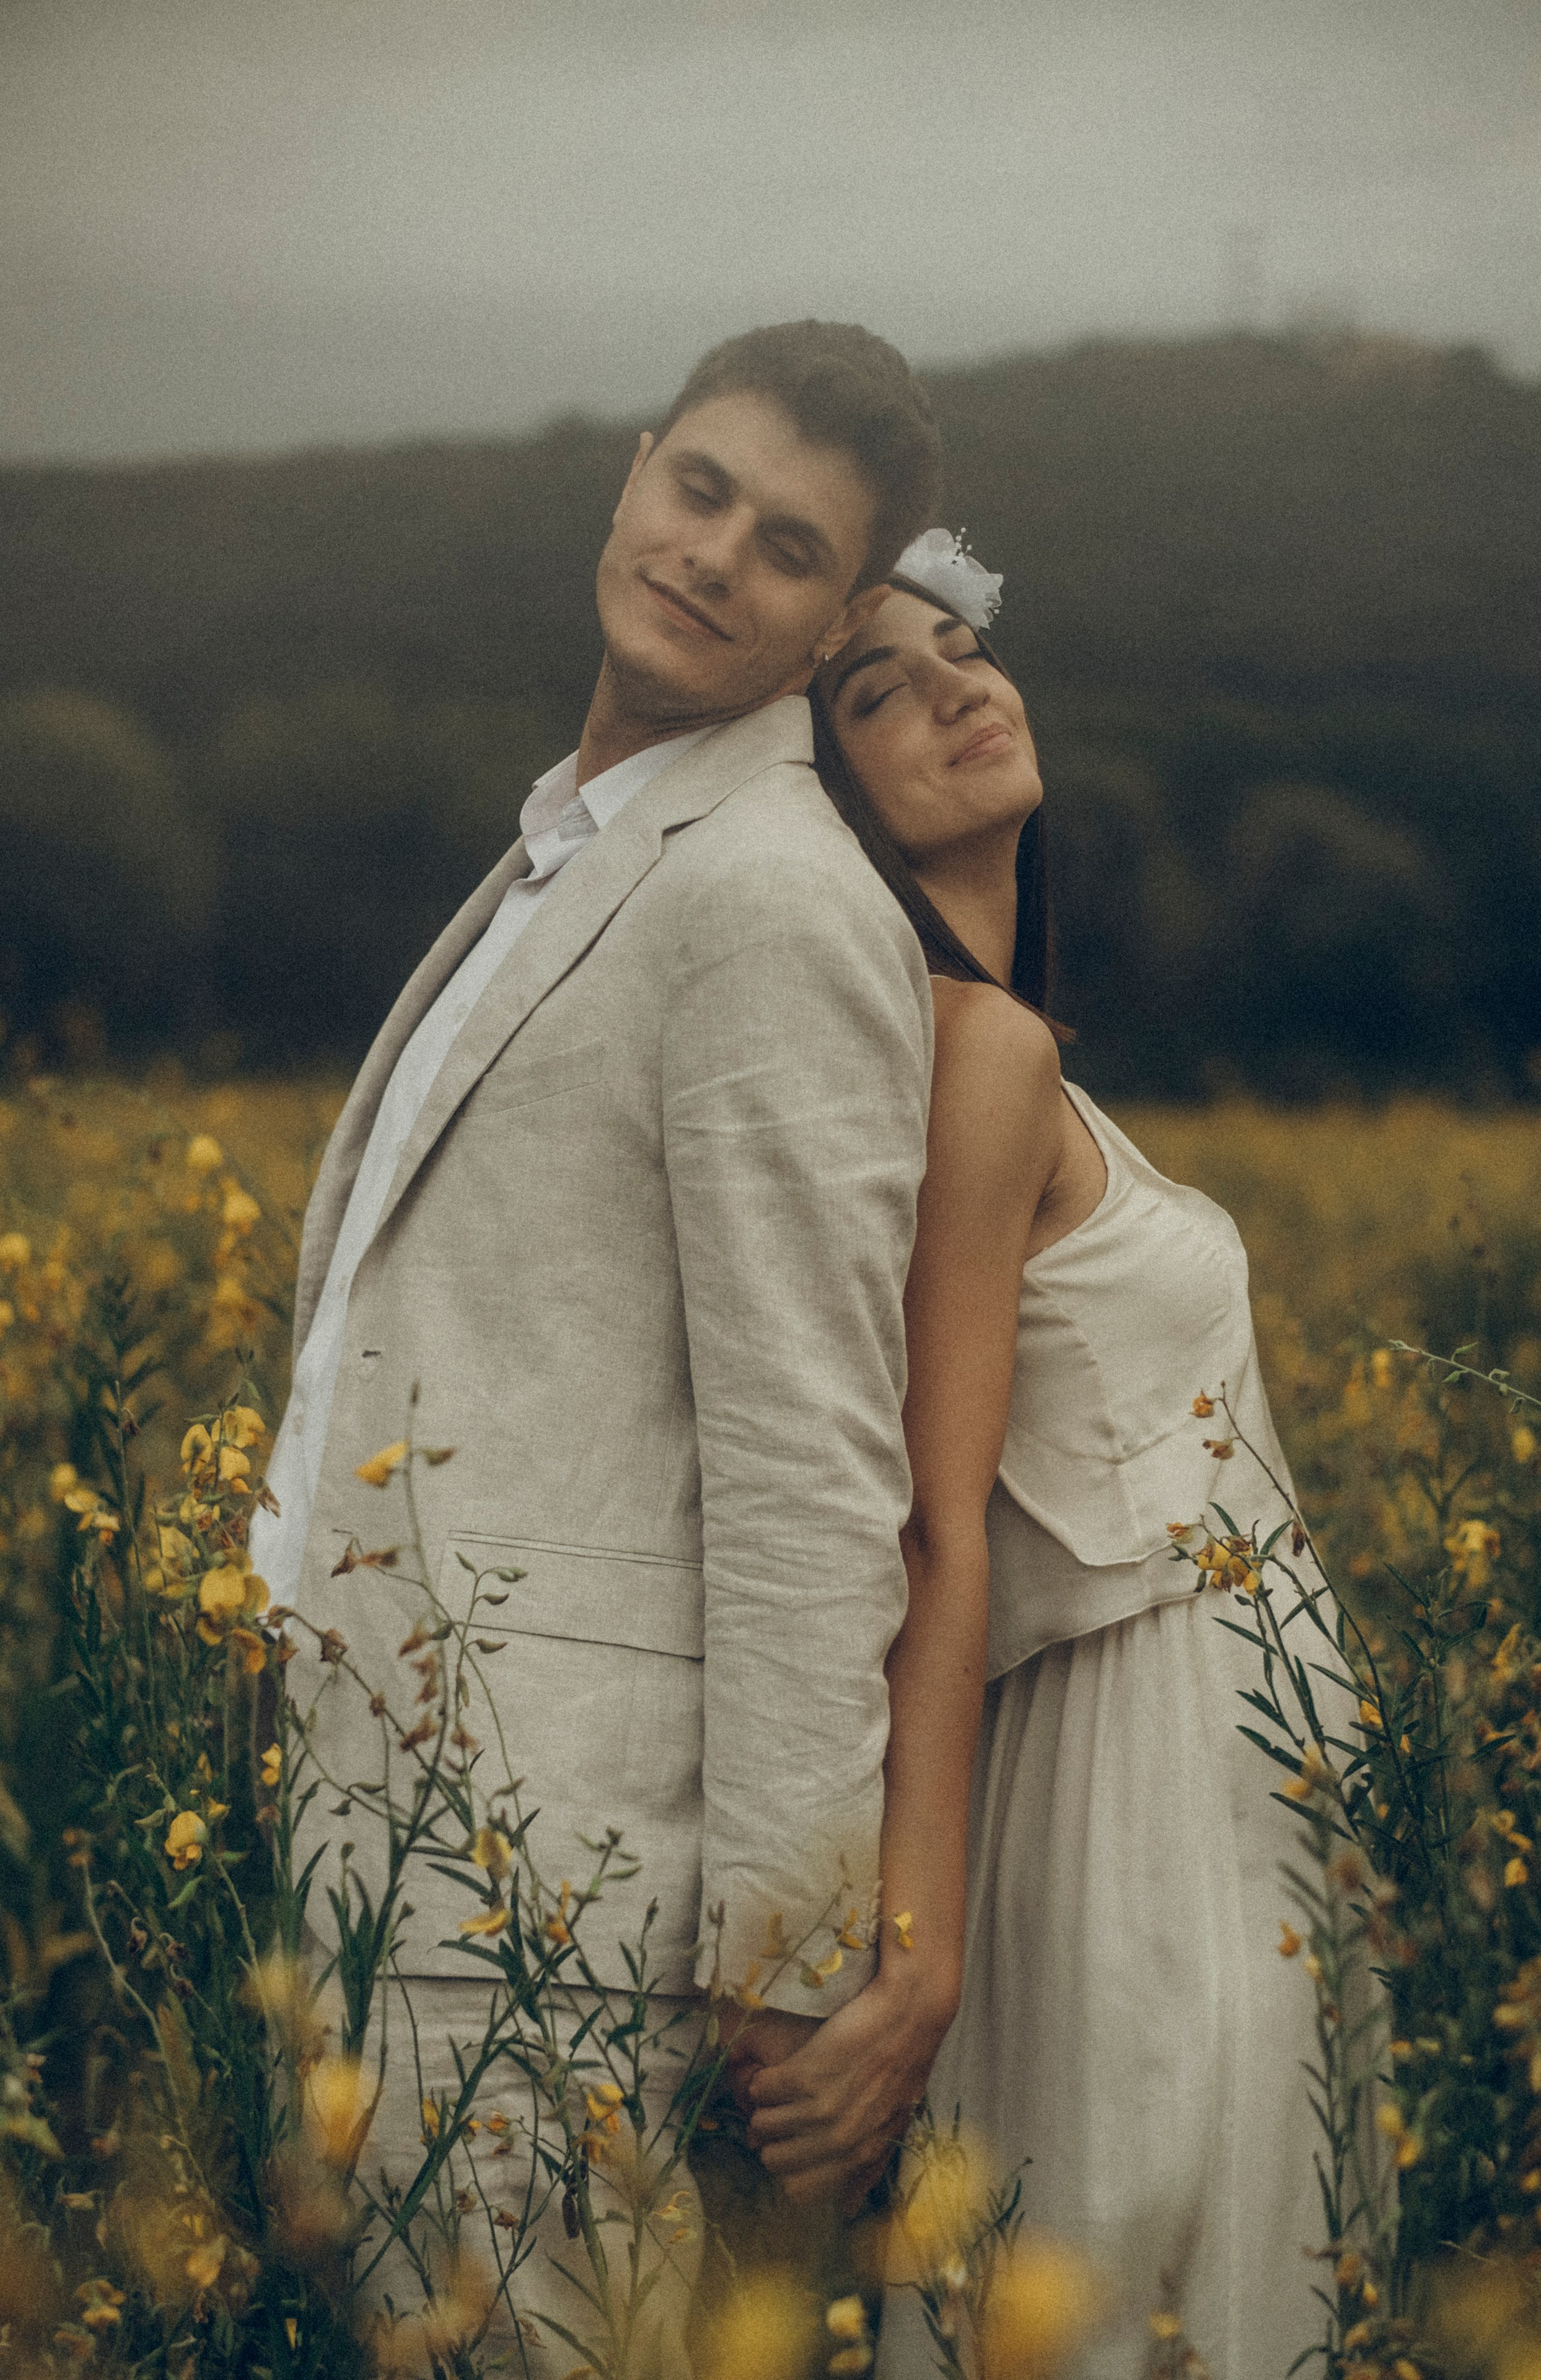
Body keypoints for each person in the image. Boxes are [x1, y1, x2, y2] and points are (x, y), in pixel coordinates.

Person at [249, 321, 948, 2372]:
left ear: (837, 621)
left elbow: (817, 1462)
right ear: (636, 472)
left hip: (543, 1906)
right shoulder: (574, 845)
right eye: (702, 490)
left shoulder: (774, 898)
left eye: (791, 547)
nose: (717, 554)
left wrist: (787, 1966)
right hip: (378, 1843)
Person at [743, 533, 1340, 2376]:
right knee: (1136, 2288)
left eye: (962, 647)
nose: (955, 688)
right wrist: (912, 1957)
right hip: (1130, 1773)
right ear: (826, 793)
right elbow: (930, 1524)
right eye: (879, 692)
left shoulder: (1006, 1049)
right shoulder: (972, 1051)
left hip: (1203, 1766)